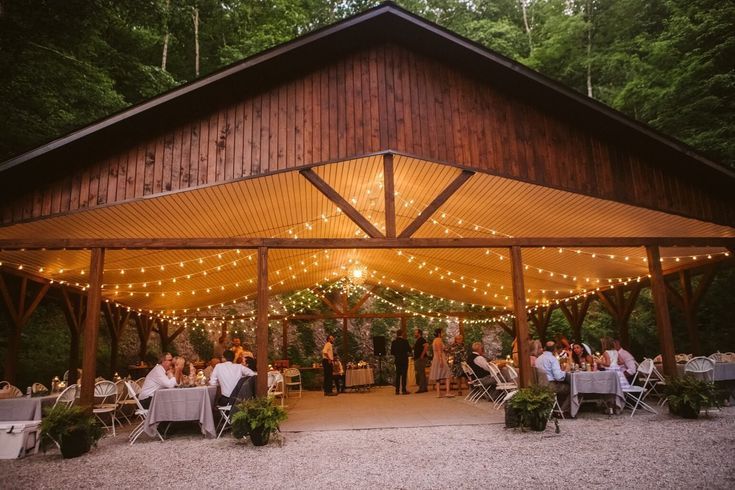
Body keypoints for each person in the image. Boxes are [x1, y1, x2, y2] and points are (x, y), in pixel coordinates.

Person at [536, 341, 570, 414]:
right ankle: (562, 410)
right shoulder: (552, 359)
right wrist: (565, 371)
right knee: (571, 388)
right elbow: (558, 377)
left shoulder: (538, 359)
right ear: (554, 349)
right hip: (550, 386)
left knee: (562, 387)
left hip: (539, 385)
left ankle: (556, 408)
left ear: (545, 348)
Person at [429, 328, 454, 398]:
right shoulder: (438, 340)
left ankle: (438, 393)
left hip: (436, 358)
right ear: (439, 333)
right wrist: (441, 360)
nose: (443, 334)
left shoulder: (435, 340)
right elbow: (439, 351)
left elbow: (442, 349)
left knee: (438, 375)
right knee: (447, 374)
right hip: (439, 358)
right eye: (442, 332)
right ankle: (447, 392)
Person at [390, 331, 411, 395]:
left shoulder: (394, 342)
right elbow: (409, 350)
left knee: (398, 375)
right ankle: (404, 390)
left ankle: (397, 390)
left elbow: (392, 352)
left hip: (397, 360)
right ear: (402, 334)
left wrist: (397, 354)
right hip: (404, 360)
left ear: (397, 334)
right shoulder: (405, 341)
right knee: (404, 375)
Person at [413, 329, 429, 393]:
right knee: (422, 373)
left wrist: (422, 355)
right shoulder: (418, 340)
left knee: (420, 374)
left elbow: (426, 347)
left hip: (420, 359)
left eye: (415, 333)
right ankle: (424, 387)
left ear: (419, 333)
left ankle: (421, 388)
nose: (414, 334)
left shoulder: (422, 339)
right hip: (418, 358)